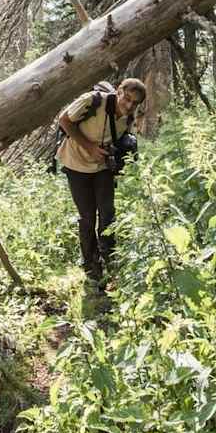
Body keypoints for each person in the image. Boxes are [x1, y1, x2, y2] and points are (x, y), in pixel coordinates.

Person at [55, 77, 146, 286]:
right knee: (87, 217)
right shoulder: (93, 101)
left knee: (107, 214)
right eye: (127, 98)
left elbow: (119, 139)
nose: (129, 105)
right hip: (76, 164)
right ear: (119, 91)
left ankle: (110, 261)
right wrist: (89, 147)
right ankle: (91, 265)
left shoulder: (128, 117)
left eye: (135, 102)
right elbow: (64, 120)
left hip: (102, 167)